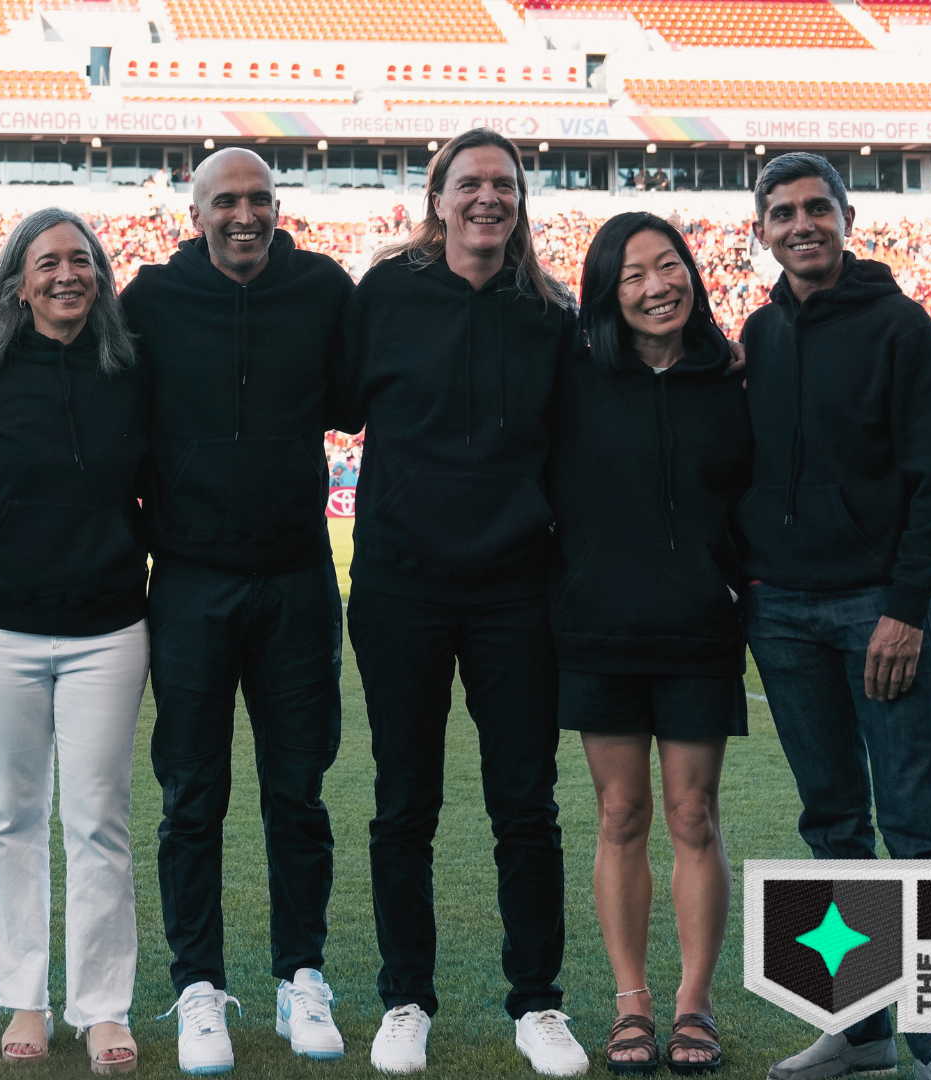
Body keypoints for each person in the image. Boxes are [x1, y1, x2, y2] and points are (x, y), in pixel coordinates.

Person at [337, 128, 589, 1077]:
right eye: (470, 183)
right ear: (437, 196)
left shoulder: (549, 314)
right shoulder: (386, 294)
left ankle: (538, 1003)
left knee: (524, 805)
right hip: (402, 586)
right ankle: (406, 999)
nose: (489, 198)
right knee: (405, 804)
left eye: (505, 185)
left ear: (520, 201)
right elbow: (331, 400)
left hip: (519, 592)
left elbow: (579, 448)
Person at [736, 153, 931, 1080]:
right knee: (831, 825)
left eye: (816, 209)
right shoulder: (758, 332)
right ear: (761, 230)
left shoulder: (901, 328)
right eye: (783, 213)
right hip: (783, 614)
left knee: (918, 826)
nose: (802, 225)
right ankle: (861, 1029)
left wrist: (908, 606)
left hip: (880, 608)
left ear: (846, 216)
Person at [118, 147, 355, 1072]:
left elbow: (356, 398)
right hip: (188, 581)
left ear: (278, 206)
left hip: (296, 578)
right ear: (195, 211)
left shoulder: (325, 289)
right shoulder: (147, 300)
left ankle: (303, 976)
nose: (244, 214)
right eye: (226, 200)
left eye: (259, 198)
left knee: (297, 794)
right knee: (192, 798)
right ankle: (198, 988)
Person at [0, 208, 149, 1072]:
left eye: (82, 260)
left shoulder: (133, 369)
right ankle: (24, 999)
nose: (68, 274)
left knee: (101, 821)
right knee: (13, 817)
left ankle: (103, 1008)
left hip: (108, 629)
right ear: (17, 280)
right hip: (1, 627)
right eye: (48, 261)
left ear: (100, 274)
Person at [547, 213, 750, 1076]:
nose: (656, 286)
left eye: (670, 266)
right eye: (632, 275)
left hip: (701, 626)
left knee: (693, 817)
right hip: (599, 625)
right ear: (606, 291)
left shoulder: (733, 376)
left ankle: (693, 1003)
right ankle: (631, 1003)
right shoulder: (574, 372)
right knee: (621, 814)